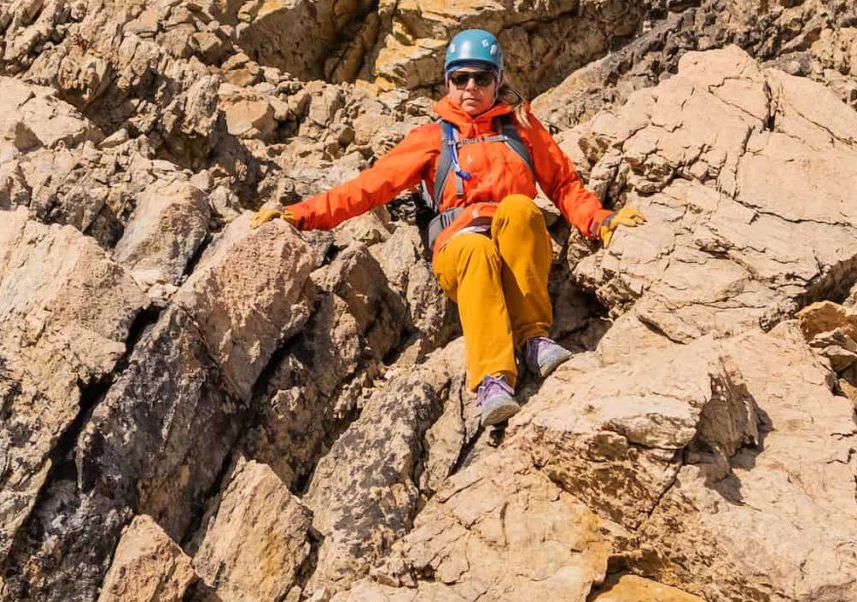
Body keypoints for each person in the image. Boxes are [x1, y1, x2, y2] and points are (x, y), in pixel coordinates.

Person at [255, 28, 643, 432]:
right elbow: (367, 188)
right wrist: (300, 214)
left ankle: (534, 339)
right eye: (461, 78)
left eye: (482, 77)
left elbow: (563, 184)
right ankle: (493, 380)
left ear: (499, 81)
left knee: (520, 208)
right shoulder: (432, 139)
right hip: (459, 247)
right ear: (447, 82)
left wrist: (600, 220)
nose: (470, 87)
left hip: (516, 241)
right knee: (476, 252)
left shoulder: (522, 128)